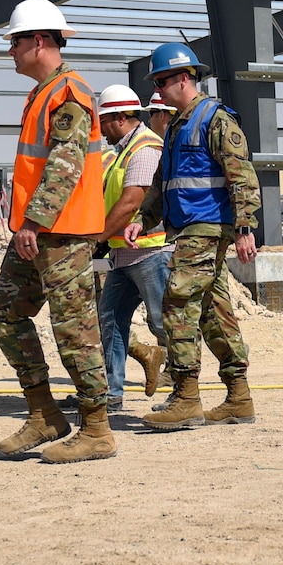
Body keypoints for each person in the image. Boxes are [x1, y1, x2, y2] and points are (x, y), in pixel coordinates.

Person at [0, 0, 117, 463]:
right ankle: (45, 414)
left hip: (61, 234)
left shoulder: (68, 94)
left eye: (16, 42)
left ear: (40, 41)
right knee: (5, 311)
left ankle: (97, 429)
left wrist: (35, 222)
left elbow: (65, 165)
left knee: (74, 329)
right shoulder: (43, 93)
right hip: (38, 233)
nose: (11, 52)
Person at [137, 41, 262, 429]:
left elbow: (241, 174)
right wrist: (142, 221)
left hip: (207, 227)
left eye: (161, 81)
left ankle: (187, 396)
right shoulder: (176, 125)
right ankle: (238, 397)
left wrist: (245, 228)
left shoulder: (215, 118)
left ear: (184, 77)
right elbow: (163, 182)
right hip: (189, 228)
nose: (157, 90)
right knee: (213, 310)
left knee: (176, 302)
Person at [94, 84, 169, 411]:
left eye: (104, 121)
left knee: (164, 321)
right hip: (124, 254)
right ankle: (112, 392)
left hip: (151, 251)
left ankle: (183, 387)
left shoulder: (145, 147)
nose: (100, 129)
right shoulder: (122, 151)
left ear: (120, 117)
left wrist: (96, 238)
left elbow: (131, 202)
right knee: (109, 318)